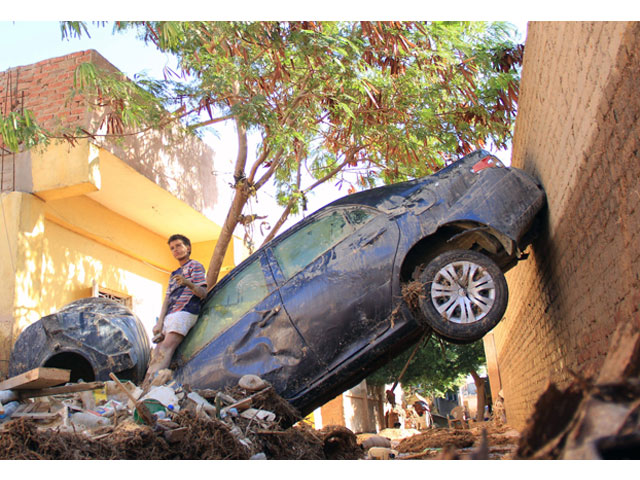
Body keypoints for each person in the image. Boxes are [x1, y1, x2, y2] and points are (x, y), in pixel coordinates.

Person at [143, 234, 207, 386]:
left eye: (178, 246)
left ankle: (152, 387)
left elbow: (203, 293)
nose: (175, 250)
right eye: (172, 248)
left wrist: (188, 283)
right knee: (157, 352)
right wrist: (159, 323)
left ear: (188, 247)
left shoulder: (195, 266)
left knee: (165, 348)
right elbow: (166, 300)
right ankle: (145, 385)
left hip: (185, 312)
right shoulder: (173, 274)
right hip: (171, 315)